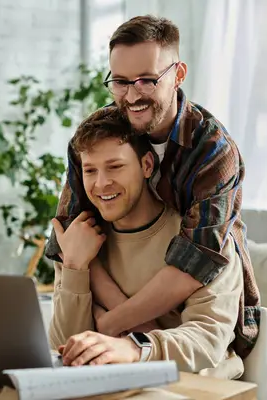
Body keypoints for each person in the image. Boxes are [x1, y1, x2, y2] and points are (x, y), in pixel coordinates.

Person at [44, 15, 260, 361]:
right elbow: (72, 235)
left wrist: (116, 326)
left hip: (201, 292)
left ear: (177, 74)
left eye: (146, 80)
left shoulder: (213, 152)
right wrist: (114, 318)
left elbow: (199, 260)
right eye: (121, 82)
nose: (132, 96)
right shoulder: (102, 134)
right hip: (130, 300)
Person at [48, 107, 245, 379]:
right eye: (90, 170)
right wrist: (74, 266)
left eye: (115, 166)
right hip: (107, 386)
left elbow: (208, 341)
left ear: (147, 165)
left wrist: (134, 348)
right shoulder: (80, 242)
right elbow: (64, 345)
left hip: (194, 388)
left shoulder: (205, 241)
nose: (101, 184)